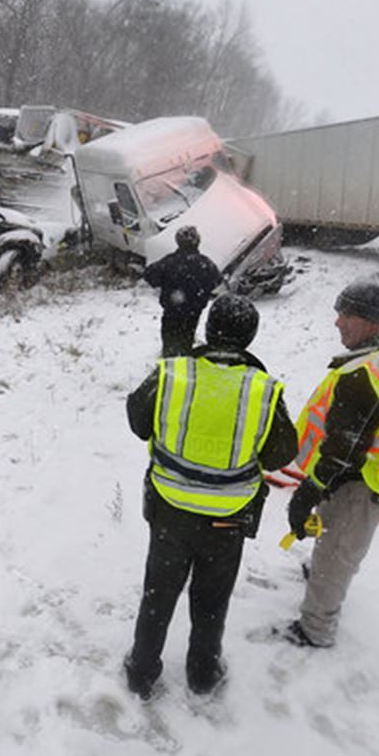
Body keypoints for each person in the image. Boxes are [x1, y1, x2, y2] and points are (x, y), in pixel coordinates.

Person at [124, 294, 298, 698]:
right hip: (229, 518)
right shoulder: (264, 390)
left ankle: (142, 670)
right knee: (212, 599)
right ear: (250, 338)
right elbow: (281, 454)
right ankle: (203, 673)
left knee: (159, 592)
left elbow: (137, 420)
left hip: (171, 510)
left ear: (208, 327)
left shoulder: (172, 374)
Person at [280, 272, 379, 648]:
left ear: (369, 321)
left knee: (337, 553)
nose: (337, 322)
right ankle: (320, 572)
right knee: (331, 531)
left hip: (366, 482)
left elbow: (342, 451)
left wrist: (307, 491)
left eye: (345, 315)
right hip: (378, 470)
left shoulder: (366, 378)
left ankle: (316, 629)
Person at [143, 225, 223, 357]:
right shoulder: (205, 264)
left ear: (178, 241)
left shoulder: (169, 262)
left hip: (171, 312)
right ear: (197, 241)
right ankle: (184, 363)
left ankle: (169, 364)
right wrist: (202, 291)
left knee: (169, 344)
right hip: (193, 313)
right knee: (187, 341)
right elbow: (217, 280)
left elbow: (149, 275)